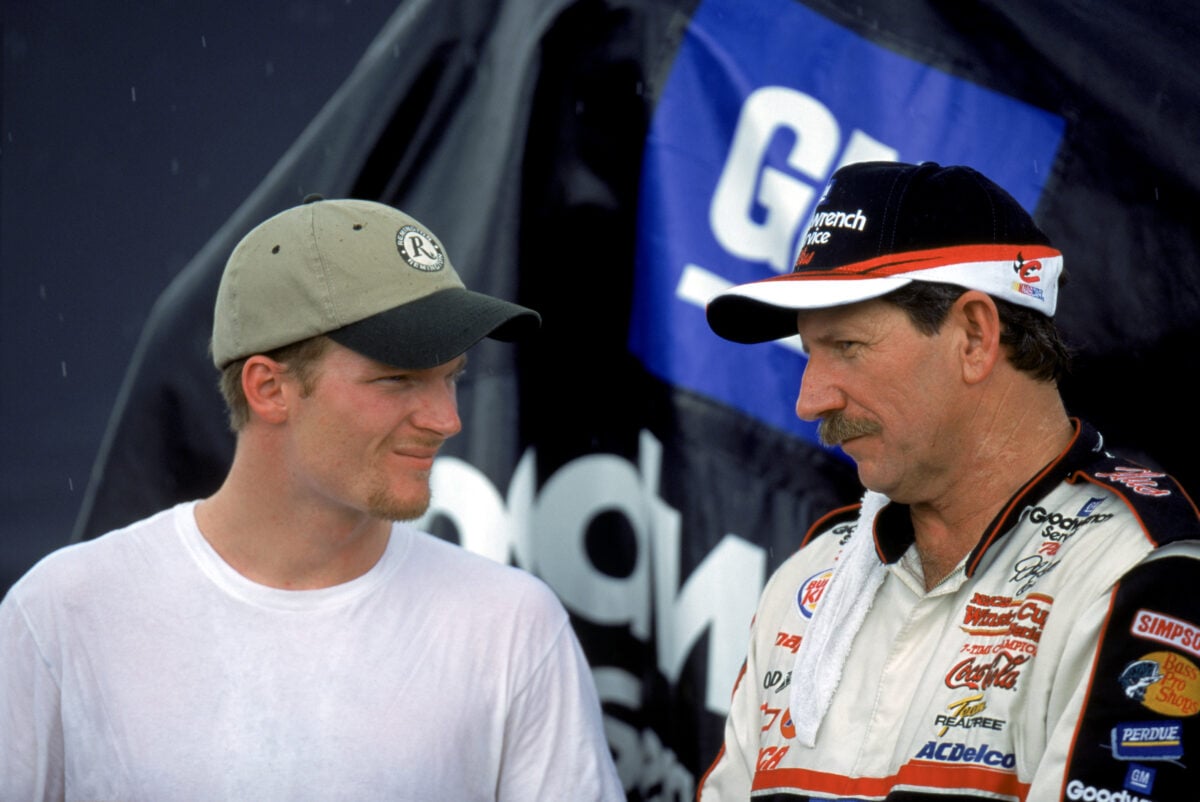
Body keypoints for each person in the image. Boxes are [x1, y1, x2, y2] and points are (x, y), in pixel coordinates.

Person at [0, 197, 624, 801]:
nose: (445, 419)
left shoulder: (513, 626)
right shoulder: (63, 612)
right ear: (269, 388)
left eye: (451, 377)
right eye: (399, 379)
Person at [697, 161, 1200, 800]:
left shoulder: (1136, 570)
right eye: (809, 353)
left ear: (974, 337)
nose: (810, 399)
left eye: (847, 347)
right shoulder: (812, 579)